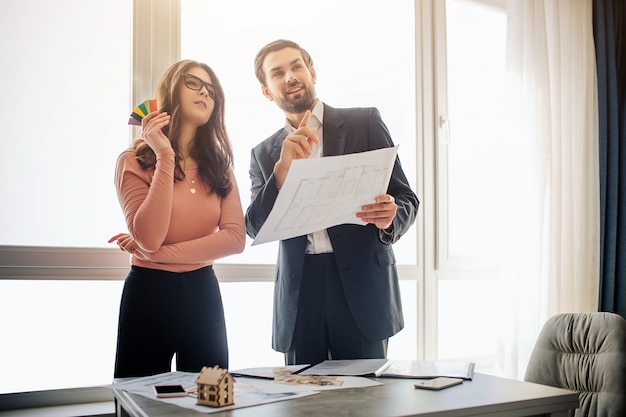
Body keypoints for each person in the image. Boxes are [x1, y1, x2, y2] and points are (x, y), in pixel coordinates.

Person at [245, 39, 419, 366]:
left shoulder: (364, 123)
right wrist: (281, 172)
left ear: (311, 72)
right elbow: (254, 227)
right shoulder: (264, 153)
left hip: (362, 287)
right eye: (278, 73)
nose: (290, 77)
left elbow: (407, 198)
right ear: (267, 90)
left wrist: (390, 217)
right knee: (302, 403)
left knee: (365, 400)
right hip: (300, 292)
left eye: (297, 66)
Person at [108, 60, 245, 378]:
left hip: (204, 295)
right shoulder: (133, 161)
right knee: (139, 399)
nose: (205, 93)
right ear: (172, 90)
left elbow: (235, 238)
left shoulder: (220, 167)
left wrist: (157, 255)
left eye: (211, 90)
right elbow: (149, 236)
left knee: (210, 402)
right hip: (148, 297)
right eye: (194, 83)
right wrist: (165, 156)